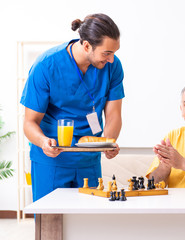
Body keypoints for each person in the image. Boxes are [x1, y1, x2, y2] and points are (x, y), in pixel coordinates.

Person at [20, 13, 124, 201]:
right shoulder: (46, 65)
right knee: (50, 223)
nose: (111, 59)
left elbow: (114, 114)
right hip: (51, 160)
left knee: (87, 224)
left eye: (114, 53)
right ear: (86, 46)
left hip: (88, 160)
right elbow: (29, 122)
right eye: (106, 53)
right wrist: (43, 141)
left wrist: (109, 142)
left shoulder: (113, 66)